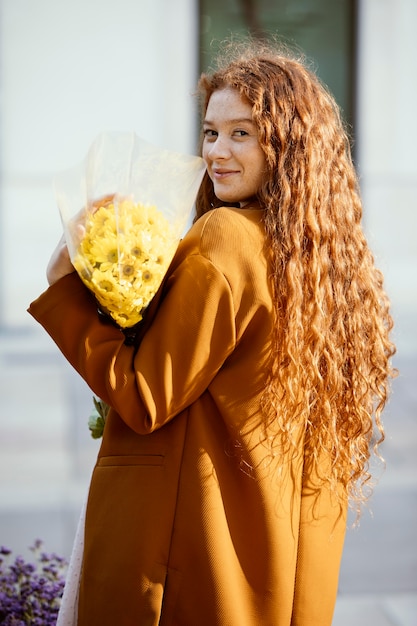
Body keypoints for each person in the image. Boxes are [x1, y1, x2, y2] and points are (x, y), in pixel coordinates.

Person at [28, 40, 395, 626]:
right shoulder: (323, 262)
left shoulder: (227, 236)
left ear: (289, 145)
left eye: (242, 134)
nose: (217, 152)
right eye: (210, 133)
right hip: (263, 564)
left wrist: (66, 284)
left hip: (181, 559)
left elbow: (146, 395)